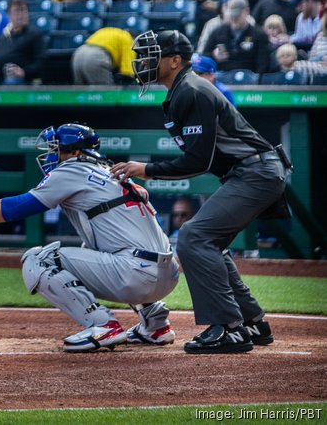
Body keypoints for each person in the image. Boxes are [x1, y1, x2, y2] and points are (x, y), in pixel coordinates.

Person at [0, 123, 179, 352]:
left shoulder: (73, 170)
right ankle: (156, 324)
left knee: (38, 259)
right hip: (167, 274)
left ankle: (103, 326)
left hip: (136, 274)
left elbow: (15, 209)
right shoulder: (110, 172)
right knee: (91, 248)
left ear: (76, 152)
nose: (52, 154)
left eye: (58, 149)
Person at [112, 29, 290, 354]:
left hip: (256, 171)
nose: (142, 62)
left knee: (194, 237)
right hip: (252, 171)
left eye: (151, 55)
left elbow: (197, 160)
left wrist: (146, 169)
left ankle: (229, 329)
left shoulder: (192, 90)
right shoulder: (183, 90)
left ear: (174, 60)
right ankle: (252, 321)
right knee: (211, 243)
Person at [202, 0, 271, 74]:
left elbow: (263, 65)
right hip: (222, 76)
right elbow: (204, 55)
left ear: (247, 12)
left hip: (249, 79)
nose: (234, 19)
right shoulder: (218, 32)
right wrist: (213, 56)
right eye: (232, 15)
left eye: (237, 16)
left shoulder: (259, 35)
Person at [0, 0, 46, 85]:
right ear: (9, 15)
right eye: (16, 11)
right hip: (0, 76)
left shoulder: (35, 34)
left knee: (11, 82)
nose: (20, 15)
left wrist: (23, 72)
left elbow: (42, 62)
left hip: (25, 79)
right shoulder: (3, 35)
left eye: (23, 10)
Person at [71, 27, 136, 85]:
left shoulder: (110, 30)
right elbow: (128, 73)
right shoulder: (129, 39)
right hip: (95, 57)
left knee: (80, 95)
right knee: (105, 95)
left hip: (78, 53)